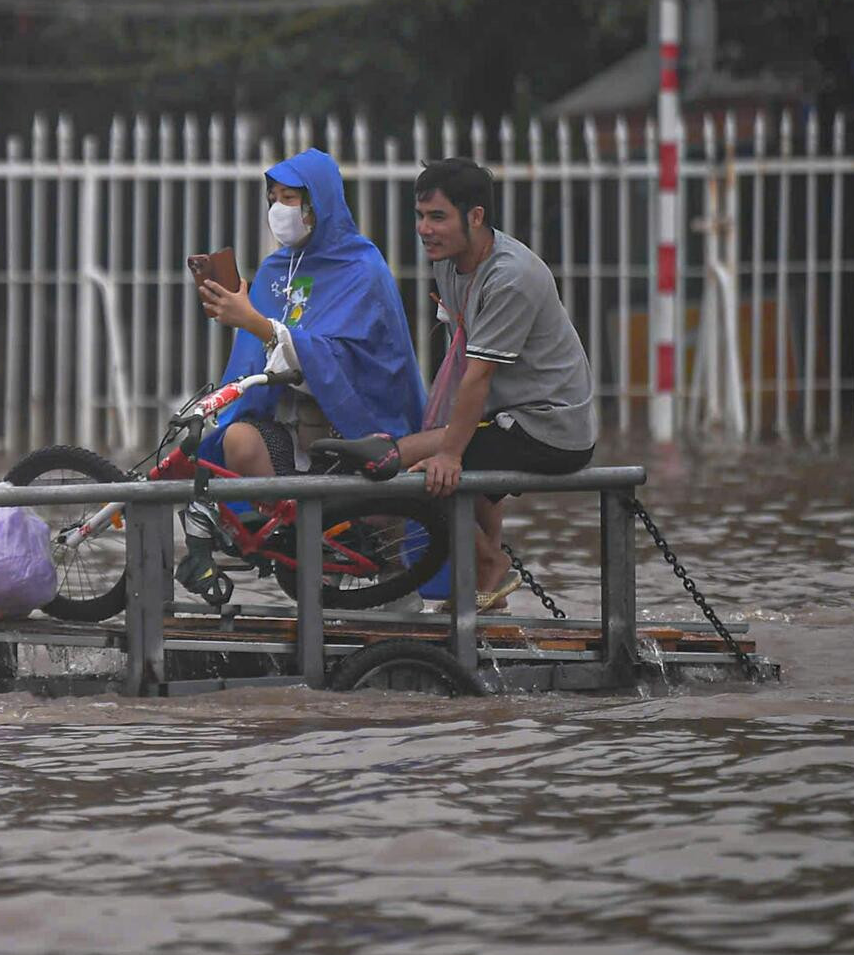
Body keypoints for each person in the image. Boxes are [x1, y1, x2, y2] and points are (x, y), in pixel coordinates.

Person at [195, 147, 430, 603]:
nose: (278, 209)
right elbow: (255, 364)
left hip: (356, 430)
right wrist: (243, 317)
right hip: (292, 429)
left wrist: (259, 325)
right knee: (236, 441)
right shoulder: (275, 270)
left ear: (318, 202)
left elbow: (343, 360)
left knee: (385, 542)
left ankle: (384, 575)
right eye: (273, 197)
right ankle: (311, 555)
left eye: (290, 198)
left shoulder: (362, 268)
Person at [392, 157, 596, 609]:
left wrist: (447, 451)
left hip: (551, 428)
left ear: (476, 217)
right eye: (420, 216)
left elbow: (478, 375)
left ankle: (490, 563)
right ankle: (491, 588)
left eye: (438, 217)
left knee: (412, 469)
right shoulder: (449, 261)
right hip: (506, 417)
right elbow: (467, 364)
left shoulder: (511, 277)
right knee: (436, 457)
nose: (425, 229)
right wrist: (451, 444)